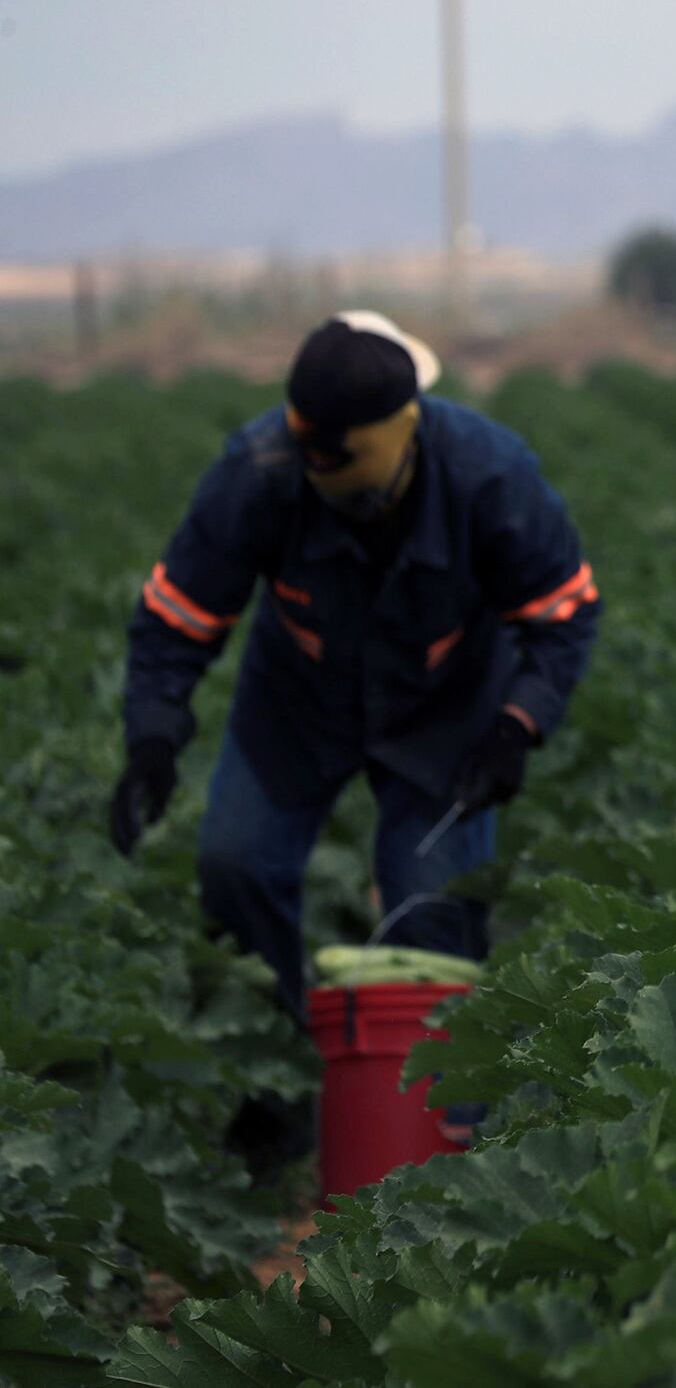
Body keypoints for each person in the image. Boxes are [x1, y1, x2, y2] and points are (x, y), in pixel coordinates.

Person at [110, 311, 601, 1050]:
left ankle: (436, 1123)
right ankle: (267, 1072)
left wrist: (515, 726)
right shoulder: (259, 472)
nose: (324, 477)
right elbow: (178, 615)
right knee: (235, 866)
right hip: (297, 704)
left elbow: (563, 615)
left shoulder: (488, 475)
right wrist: (152, 735)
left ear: (404, 429)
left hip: (446, 711)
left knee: (431, 911)